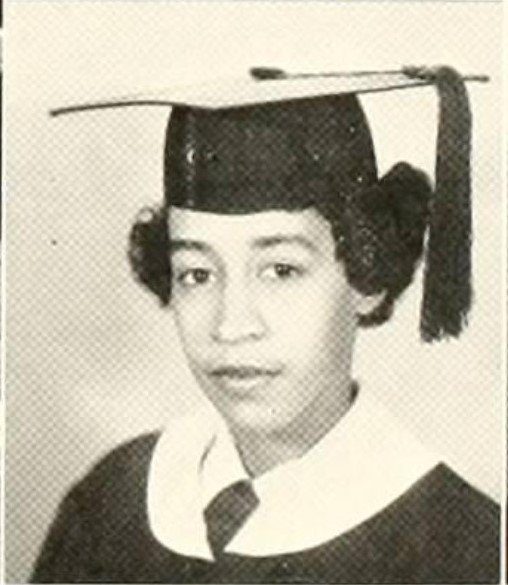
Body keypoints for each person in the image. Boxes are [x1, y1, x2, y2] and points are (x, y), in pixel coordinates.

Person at [32, 65, 499, 583]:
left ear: (369, 277)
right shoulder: (112, 499)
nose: (232, 325)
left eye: (281, 270)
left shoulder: (465, 551)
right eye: (197, 274)